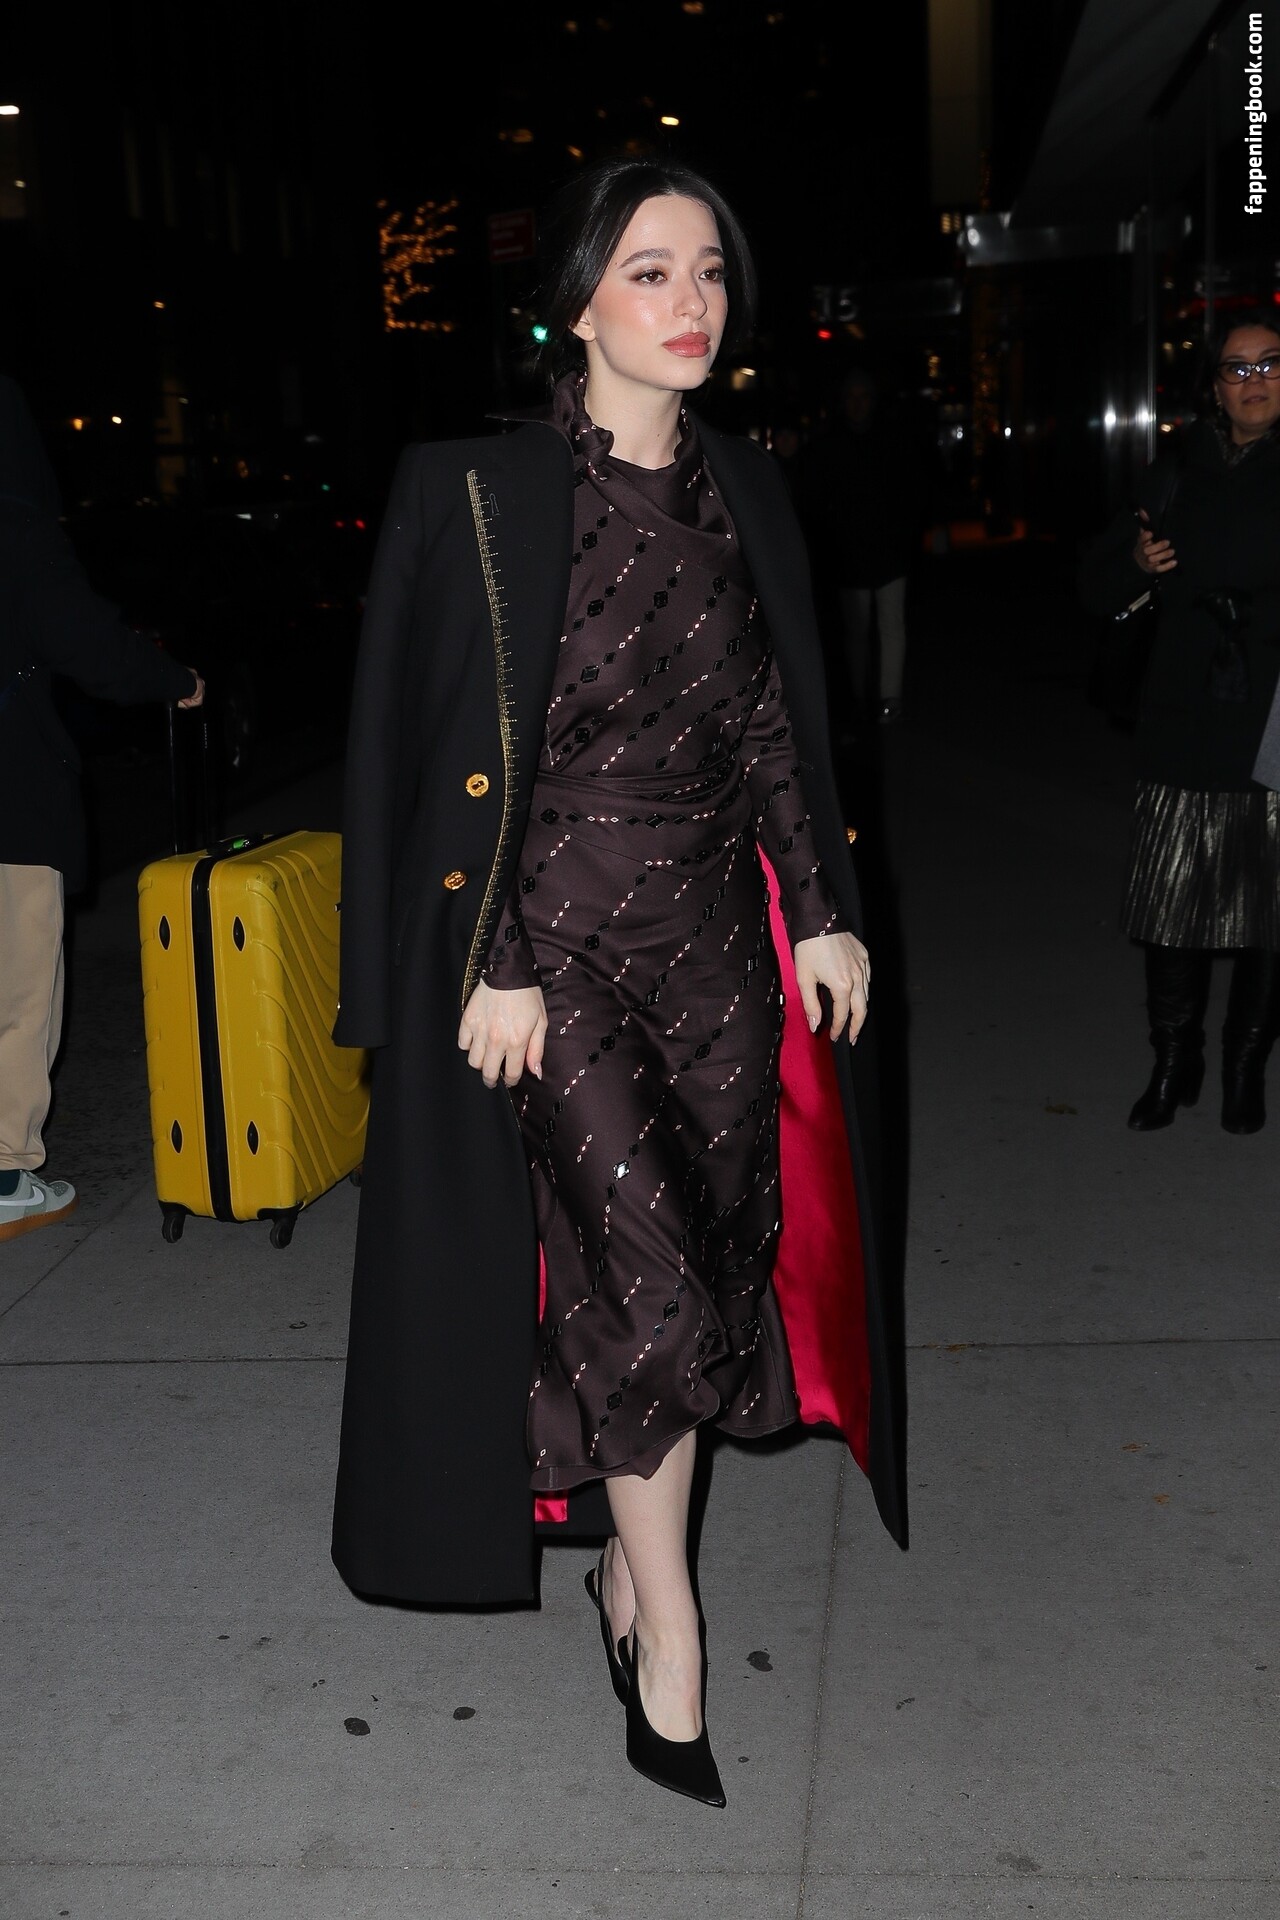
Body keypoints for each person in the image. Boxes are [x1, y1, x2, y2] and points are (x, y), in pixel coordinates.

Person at [330, 157, 907, 1808]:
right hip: (553, 952)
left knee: (697, 1276)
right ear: (576, 303)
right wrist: (490, 959)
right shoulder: (472, 491)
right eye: (650, 271)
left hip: (715, 955)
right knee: (650, 1284)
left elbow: (780, 730)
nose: (691, 302)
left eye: (709, 270)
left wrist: (825, 913)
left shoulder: (753, 494)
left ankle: (616, 1572)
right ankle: (673, 1641)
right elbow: (417, 756)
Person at [0, 376, 205, 1242]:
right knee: (17, 985)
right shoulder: (13, 523)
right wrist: (171, 679)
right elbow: (78, 634)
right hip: (9, 797)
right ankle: (4, 1171)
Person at [1078, 311, 1280, 1134]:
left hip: (1273, 720)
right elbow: (1093, 588)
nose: (1255, 381)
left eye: (1270, 363)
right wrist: (1135, 564)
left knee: (1270, 911)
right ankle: (1174, 1058)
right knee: (1171, 907)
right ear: (1214, 388)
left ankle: (1243, 1065)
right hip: (1182, 714)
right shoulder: (1174, 473)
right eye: (1237, 368)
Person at [796, 366, 924, 727]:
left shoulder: (893, 440)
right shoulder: (830, 444)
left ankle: (889, 698)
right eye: (851, 397)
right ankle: (859, 697)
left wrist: (908, 538)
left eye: (863, 397)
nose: (857, 404)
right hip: (849, 554)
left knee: (891, 625)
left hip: (889, 552)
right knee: (855, 631)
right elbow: (816, 499)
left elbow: (912, 493)